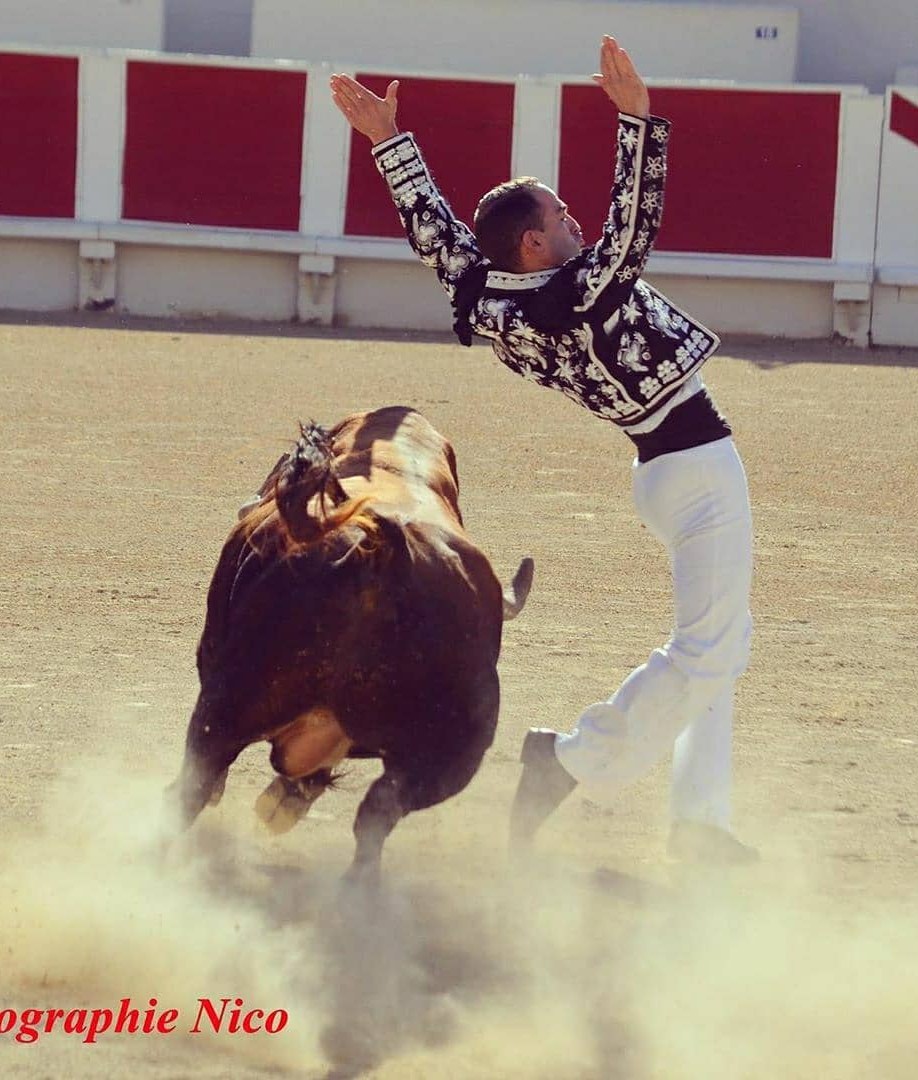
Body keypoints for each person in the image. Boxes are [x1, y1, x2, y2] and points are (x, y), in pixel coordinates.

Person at [330, 36, 757, 864]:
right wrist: (637, 122)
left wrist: (390, 145)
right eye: (561, 217)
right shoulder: (579, 292)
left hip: (664, 466)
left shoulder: (492, 294)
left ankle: (703, 820)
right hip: (696, 466)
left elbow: (439, 239)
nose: (576, 222)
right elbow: (633, 229)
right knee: (708, 648)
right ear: (534, 244)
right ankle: (567, 760)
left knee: (719, 644)